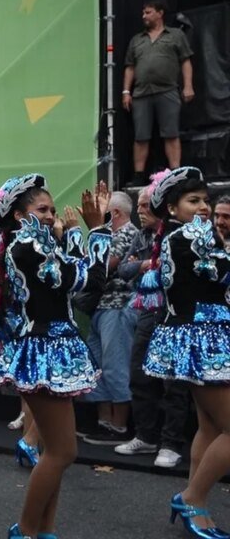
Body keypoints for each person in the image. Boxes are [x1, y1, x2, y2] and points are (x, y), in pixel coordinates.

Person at [0, 175, 111, 539]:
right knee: (63, 452)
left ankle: (45, 529)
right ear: (21, 217)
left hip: (51, 349)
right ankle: (24, 530)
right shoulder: (27, 247)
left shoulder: (34, 246)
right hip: (45, 351)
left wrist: (72, 232)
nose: (52, 215)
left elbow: (70, 271)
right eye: (43, 209)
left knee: (56, 451)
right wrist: (97, 230)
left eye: (53, 209)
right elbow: (88, 277)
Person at [142, 167, 230, 538]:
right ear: (173, 209)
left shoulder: (180, 236)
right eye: (194, 201)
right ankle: (192, 497)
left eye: (205, 200)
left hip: (204, 334)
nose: (204, 207)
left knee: (211, 425)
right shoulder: (190, 236)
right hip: (202, 338)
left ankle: (197, 499)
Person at [114, 184, 190, 468]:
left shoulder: (180, 233)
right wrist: (147, 264)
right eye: (140, 206)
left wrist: (144, 265)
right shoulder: (144, 235)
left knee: (174, 385)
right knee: (139, 375)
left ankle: (171, 444)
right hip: (148, 313)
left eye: (147, 206)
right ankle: (146, 436)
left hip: (176, 315)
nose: (141, 211)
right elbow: (123, 269)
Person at [81, 192, 139, 445]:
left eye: (102, 210)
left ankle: (119, 426)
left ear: (114, 213)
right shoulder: (110, 234)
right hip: (100, 308)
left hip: (116, 307)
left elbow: (101, 266)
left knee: (115, 364)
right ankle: (104, 422)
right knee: (97, 365)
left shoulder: (127, 233)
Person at [123, 0, 194, 185]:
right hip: (141, 93)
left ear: (160, 13)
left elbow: (186, 61)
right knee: (141, 136)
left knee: (171, 133)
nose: (144, 16)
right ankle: (138, 175)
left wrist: (188, 86)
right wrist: (125, 91)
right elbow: (130, 66)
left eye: (148, 12)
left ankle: (176, 172)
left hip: (167, 90)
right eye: (143, 12)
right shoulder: (137, 40)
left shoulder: (176, 35)